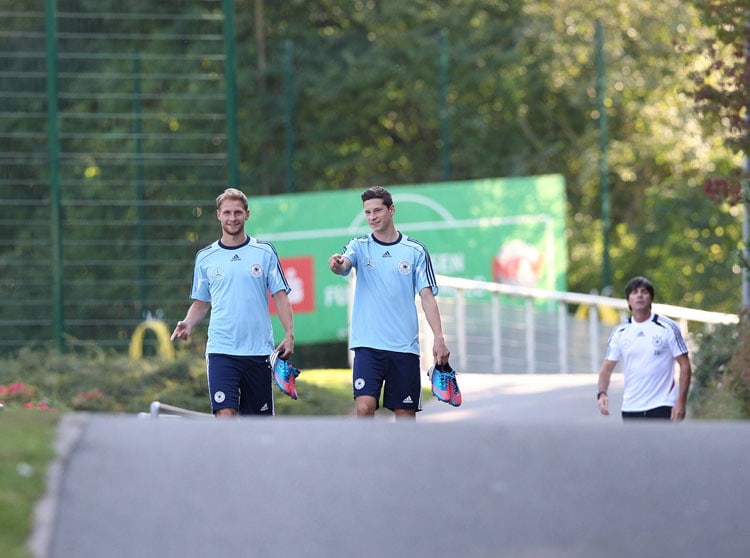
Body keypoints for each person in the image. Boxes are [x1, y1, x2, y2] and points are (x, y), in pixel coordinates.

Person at [328, 186, 451, 420]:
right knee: (364, 407)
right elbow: (343, 265)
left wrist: (439, 338)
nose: (372, 217)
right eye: (367, 212)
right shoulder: (359, 245)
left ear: (391, 210)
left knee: (405, 415)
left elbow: (427, 296)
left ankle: (399, 457)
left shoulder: (414, 250)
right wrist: (336, 264)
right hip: (367, 345)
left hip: (404, 346)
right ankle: (368, 456)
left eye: (377, 210)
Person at [171, 187, 295, 417]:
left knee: (256, 427)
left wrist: (289, 335)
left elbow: (280, 296)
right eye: (227, 213)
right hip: (221, 350)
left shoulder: (264, 252)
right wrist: (188, 322)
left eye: (237, 212)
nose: (232, 218)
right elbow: (201, 301)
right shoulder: (205, 257)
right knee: (225, 415)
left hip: (259, 351)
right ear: (218, 215)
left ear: (247, 214)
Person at [597, 276, 692, 421]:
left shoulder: (667, 327)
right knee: (635, 445)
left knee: (659, 444)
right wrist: (602, 393)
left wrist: (681, 402)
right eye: (634, 292)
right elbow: (607, 368)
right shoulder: (620, 332)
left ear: (651, 298)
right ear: (628, 300)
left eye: (644, 292)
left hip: (662, 405)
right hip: (631, 407)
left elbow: (685, 365)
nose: (639, 295)